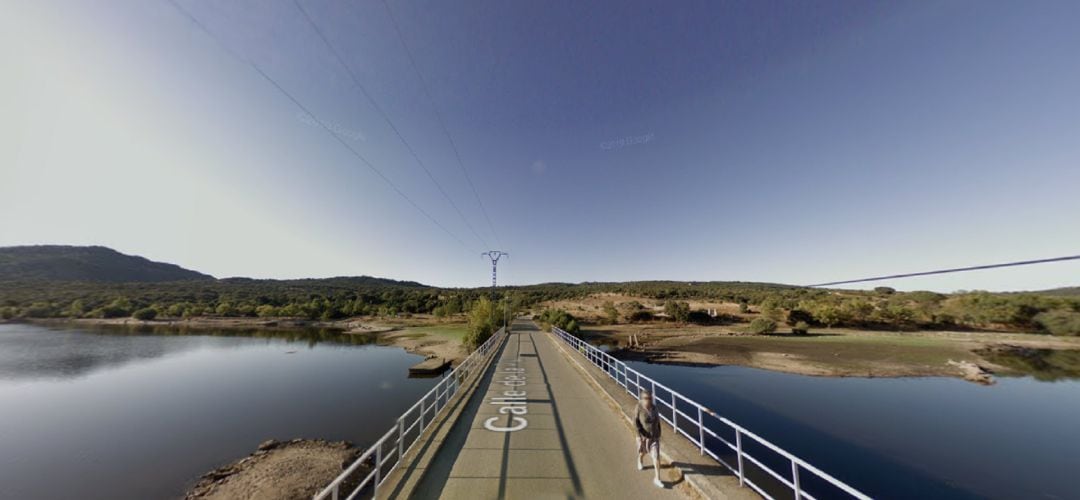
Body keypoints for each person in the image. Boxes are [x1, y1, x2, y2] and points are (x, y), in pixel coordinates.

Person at [635, 389, 664, 488]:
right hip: (643, 437)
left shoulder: (654, 408)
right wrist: (640, 434)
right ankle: (640, 459)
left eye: (651, 398)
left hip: (654, 436)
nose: (650, 400)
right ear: (642, 399)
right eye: (647, 398)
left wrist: (659, 431)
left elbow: (658, 420)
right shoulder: (639, 408)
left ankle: (657, 478)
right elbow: (635, 422)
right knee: (643, 453)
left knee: (656, 457)